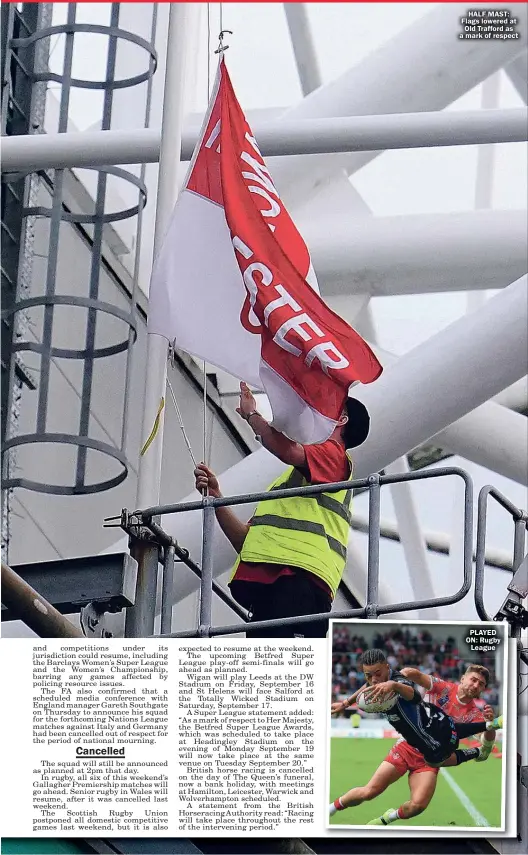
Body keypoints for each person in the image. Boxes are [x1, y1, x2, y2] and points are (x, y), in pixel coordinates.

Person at [194, 381, 370, 638]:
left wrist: (252, 416)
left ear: (341, 419)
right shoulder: (291, 485)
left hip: (299, 585)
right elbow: (246, 541)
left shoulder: (336, 458)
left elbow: (287, 450)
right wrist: (216, 496)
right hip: (276, 588)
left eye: (330, 409)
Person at [329, 650, 502, 821]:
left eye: (480, 684)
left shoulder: (475, 714)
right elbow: (413, 675)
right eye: (473, 679)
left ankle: (388, 817)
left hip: (432, 757)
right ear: (463, 678)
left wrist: (490, 726)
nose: (475, 685)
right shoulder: (443, 688)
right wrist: (401, 676)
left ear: (483, 690)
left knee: (417, 806)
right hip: (407, 747)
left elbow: (485, 741)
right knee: (370, 791)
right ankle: (330, 808)